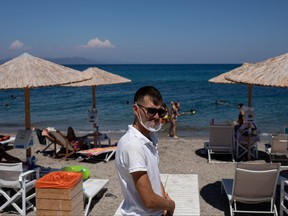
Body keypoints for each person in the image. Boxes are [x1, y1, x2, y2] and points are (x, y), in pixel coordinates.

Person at [115, 86, 175, 216]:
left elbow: (154, 177)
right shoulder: (134, 145)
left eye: (161, 112)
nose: (156, 117)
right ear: (135, 109)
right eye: (151, 111)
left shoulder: (149, 138)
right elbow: (149, 200)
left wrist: (164, 197)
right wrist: (171, 205)